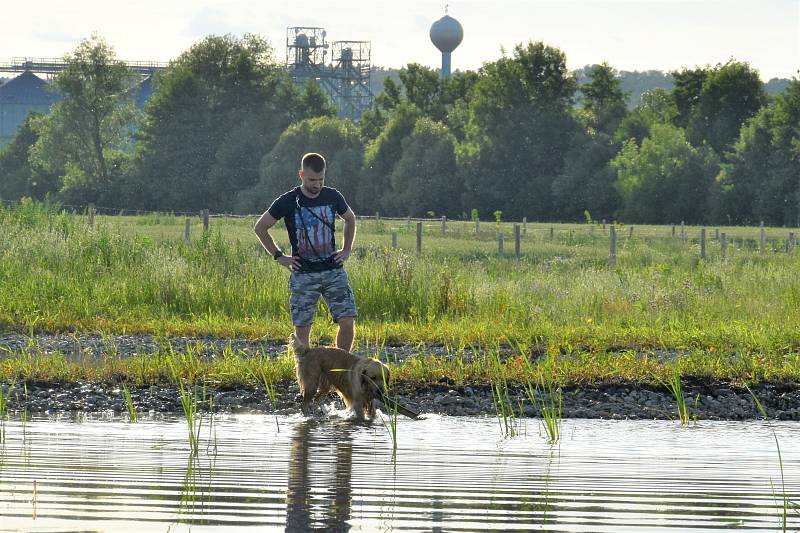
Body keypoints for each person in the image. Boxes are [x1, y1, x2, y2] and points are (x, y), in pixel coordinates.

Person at [254, 152, 358, 351]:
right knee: (302, 330)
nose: (317, 185)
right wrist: (279, 256)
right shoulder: (288, 200)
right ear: (301, 174)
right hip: (303, 274)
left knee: (347, 321)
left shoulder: (333, 196)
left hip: (333, 271)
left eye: (321, 179)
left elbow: (350, 219)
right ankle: (307, 378)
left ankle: (340, 370)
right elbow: (260, 227)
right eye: (312, 180)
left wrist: (346, 250)